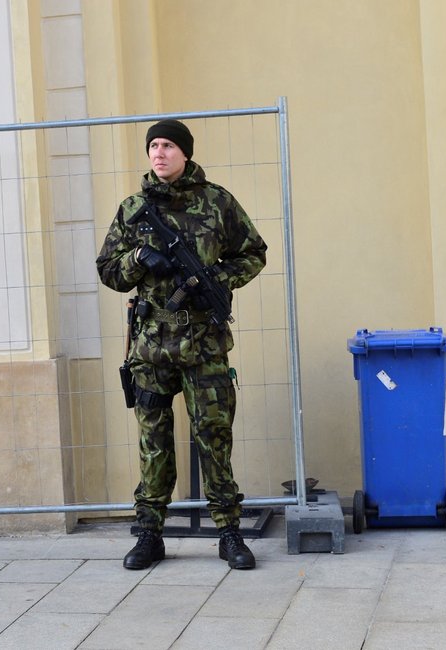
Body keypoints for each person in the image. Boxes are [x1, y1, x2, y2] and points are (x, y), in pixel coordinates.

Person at [95, 119, 268, 571]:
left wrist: (213, 281)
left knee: (214, 438)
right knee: (154, 442)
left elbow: (253, 252)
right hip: (151, 347)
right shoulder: (133, 208)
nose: (159, 153)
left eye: (168, 145)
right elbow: (109, 271)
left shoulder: (217, 202)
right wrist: (136, 259)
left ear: (185, 153)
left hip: (205, 344)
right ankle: (149, 535)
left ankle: (229, 533)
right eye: (153, 145)